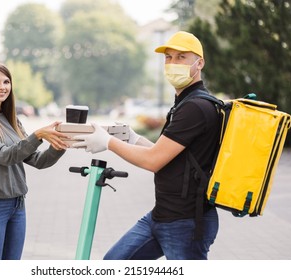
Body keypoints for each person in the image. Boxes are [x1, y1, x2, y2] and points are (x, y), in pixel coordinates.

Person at [73, 31, 220, 260]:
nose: (172, 63)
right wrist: (132, 138)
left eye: (181, 57)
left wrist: (108, 142)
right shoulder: (186, 103)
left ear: (199, 63)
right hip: (162, 216)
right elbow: (165, 154)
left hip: (186, 223)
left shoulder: (196, 108)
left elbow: (153, 161)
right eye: (168, 58)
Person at [0, 62, 69, 260]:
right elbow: (5, 156)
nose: (2, 86)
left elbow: (37, 160)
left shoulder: (12, 119)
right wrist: (38, 135)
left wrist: (57, 146)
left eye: (6, 81)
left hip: (18, 206)